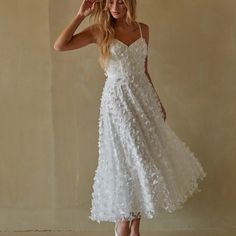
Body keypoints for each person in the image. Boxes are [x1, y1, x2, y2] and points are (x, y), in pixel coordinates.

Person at [54, 0, 207, 236]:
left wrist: (157, 101)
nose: (116, 6)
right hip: (117, 102)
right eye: (111, 1)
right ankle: (123, 222)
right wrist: (80, 15)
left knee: (144, 158)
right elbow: (60, 45)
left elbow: (144, 70)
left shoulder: (142, 29)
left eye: (121, 1)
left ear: (130, 3)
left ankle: (134, 223)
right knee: (127, 159)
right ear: (104, 5)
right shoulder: (99, 30)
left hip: (143, 98)